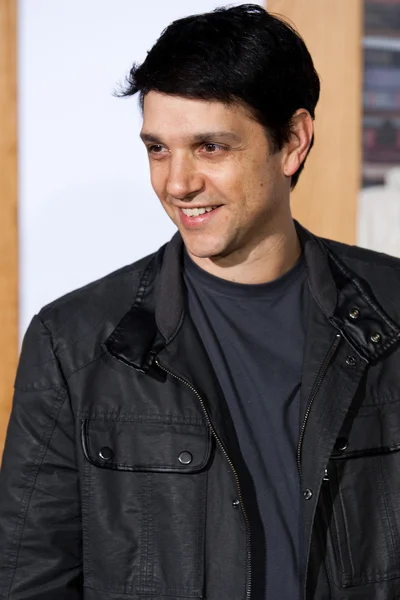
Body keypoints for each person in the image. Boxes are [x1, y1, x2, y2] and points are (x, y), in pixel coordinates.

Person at [1, 4, 400, 600]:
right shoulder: (74, 343)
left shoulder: (391, 311)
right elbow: (30, 579)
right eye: (158, 148)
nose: (177, 182)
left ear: (291, 142)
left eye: (210, 147)